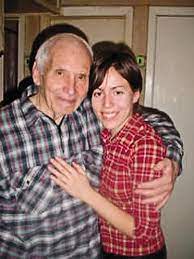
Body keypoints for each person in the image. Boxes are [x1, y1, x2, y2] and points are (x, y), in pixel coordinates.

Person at [0, 24, 182, 257]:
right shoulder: (5, 131)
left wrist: (172, 161)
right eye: (60, 73)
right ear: (37, 72)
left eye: (81, 77)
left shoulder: (93, 112)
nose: (70, 88)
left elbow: (156, 120)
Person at [48, 43, 169, 258]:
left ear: (135, 94)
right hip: (105, 249)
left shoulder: (144, 145)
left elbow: (143, 232)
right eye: (98, 93)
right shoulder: (106, 135)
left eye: (118, 92)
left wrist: (85, 192)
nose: (107, 104)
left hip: (136, 254)